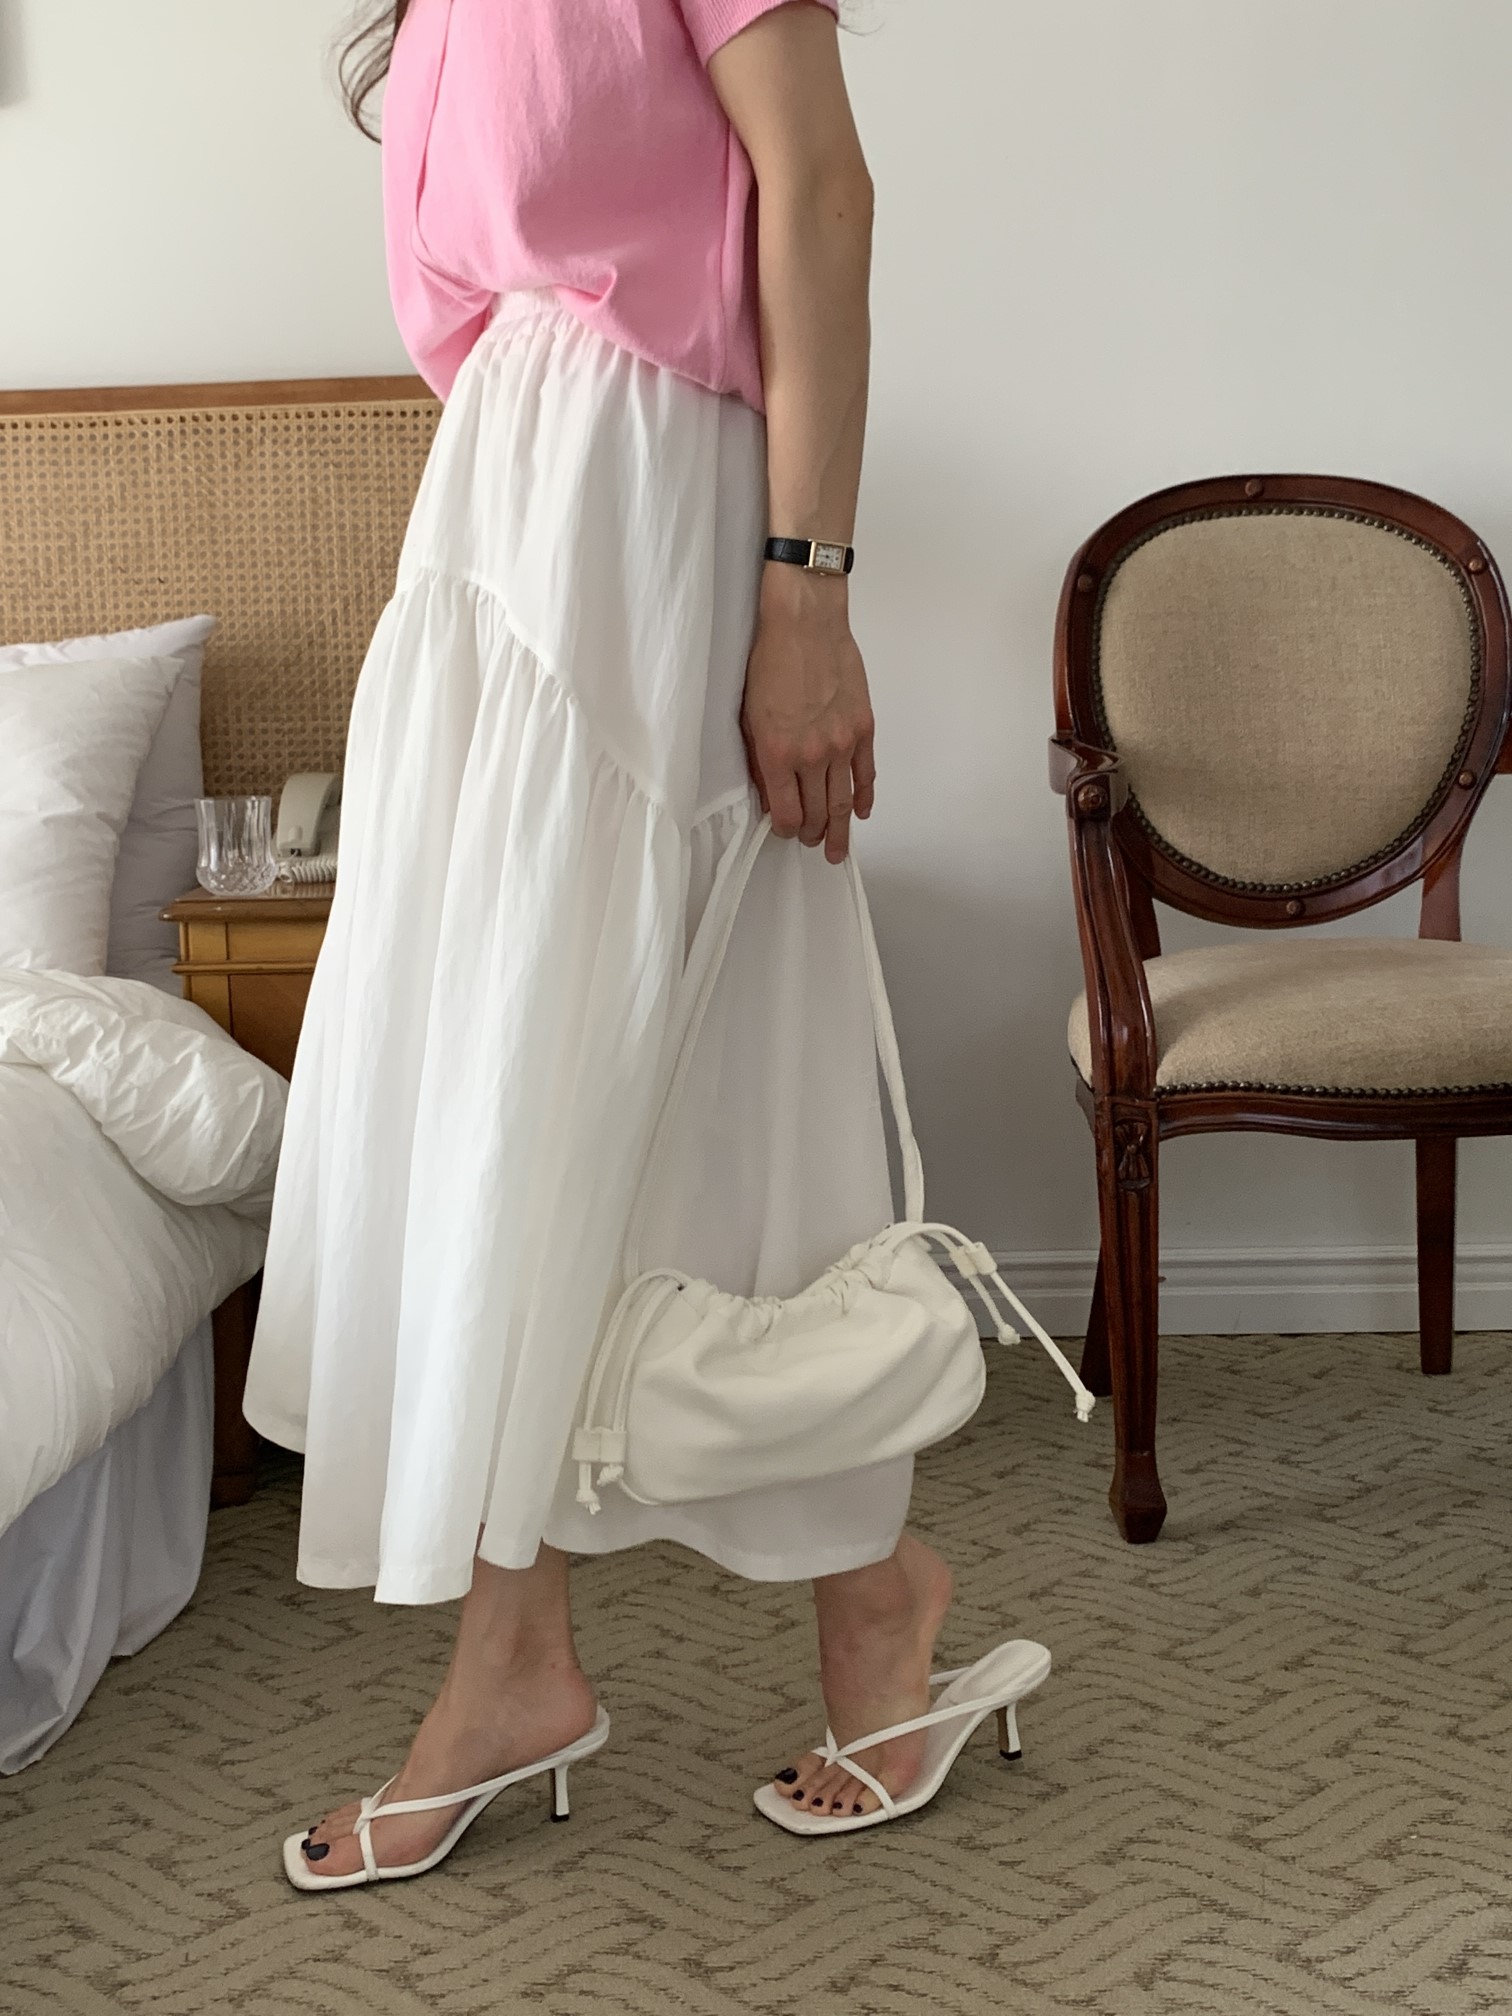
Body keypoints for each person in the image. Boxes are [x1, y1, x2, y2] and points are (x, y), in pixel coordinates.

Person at [245, 0, 1031, 1886]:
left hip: (660, 525)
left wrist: (807, 598)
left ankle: (864, 1609)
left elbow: (821, 195)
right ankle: (521, 1657)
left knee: (718, 1076)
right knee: (501, 1096)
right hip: (504, 530)